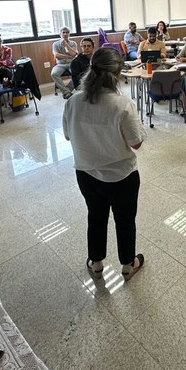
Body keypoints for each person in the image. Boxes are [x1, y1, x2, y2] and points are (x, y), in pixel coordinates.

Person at [62, 47, 147, 281]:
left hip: (86, 174)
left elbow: (68, 135)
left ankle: (96, 262)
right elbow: (136, 143)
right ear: (117, 73)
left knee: (96, 216)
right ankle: (128, 265)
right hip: (122, 177)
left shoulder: (73, 101)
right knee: (125, 221)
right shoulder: (122, 105)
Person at [51, 27, 78, 96]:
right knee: (54, 74)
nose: (65, 34)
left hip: (72, 63)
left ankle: (67, 90)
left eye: (67, 32)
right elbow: (57, 55)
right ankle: (66, 92)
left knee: (78, 73)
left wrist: (66, 44)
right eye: (63, 32)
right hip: (60, 64)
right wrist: (69, 56)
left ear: (69, 34)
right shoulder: (55, 44)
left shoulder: (73, 43)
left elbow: (74, 54)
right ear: (60, 34)